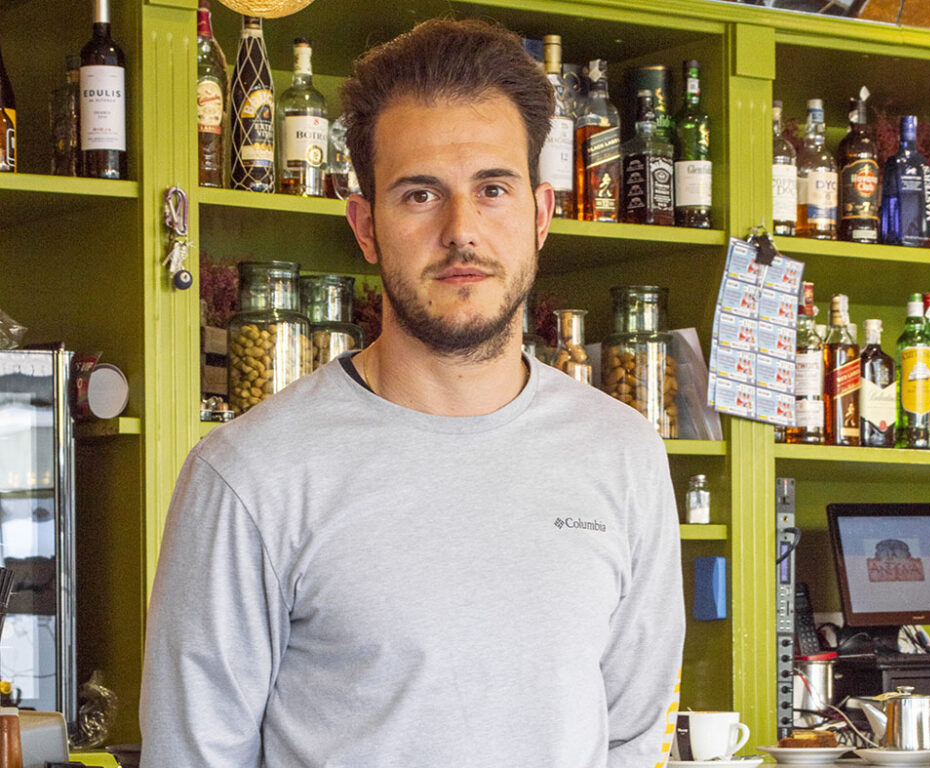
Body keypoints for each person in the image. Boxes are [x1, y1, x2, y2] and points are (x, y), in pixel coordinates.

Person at [140, 18, 684, 768]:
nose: (462, 230)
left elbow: (632, 738)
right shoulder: (248, 475)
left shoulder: (624, 453)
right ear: (365, 226)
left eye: (492, 188)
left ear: (541, 213)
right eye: (420, 195)